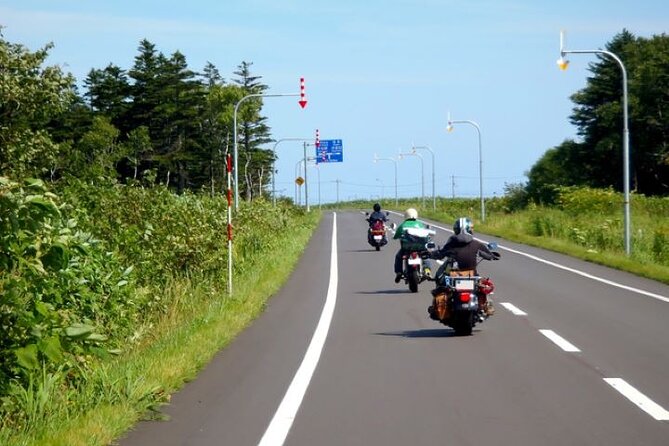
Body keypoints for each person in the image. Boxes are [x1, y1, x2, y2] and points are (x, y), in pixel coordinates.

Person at [431, 217, 498, 315]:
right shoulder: (476, 244)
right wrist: (493, 256)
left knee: (440, 282)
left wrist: (430, 254)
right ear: (470, 230)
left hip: (454, 276)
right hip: (471, 275)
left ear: (456, 230)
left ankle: (436, 308)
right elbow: (489, 255)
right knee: (481, 285)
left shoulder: (451, 244)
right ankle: (487, 305)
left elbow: (440, 254)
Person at [393, 208, 429, 283]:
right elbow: (426, 235)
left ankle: (399, 272)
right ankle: (427, 270)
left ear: (406, 215)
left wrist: (395, 237)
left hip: (407, 248)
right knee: (425, 256)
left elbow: (396, 235)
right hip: (420, 247)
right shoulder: (420, 224)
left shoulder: (403, 225)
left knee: (398, 257)